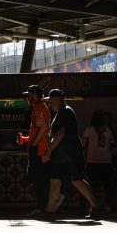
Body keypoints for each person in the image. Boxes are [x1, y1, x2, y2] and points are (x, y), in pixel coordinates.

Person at [41, 89, 101, 219]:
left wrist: (49, 150)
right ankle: (49, 210)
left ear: (57, 99)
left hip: (69, 156)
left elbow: (60, 133)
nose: (49, 103)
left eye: (50, 101)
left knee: (77, 181)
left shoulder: (65, 112)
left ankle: (96, 206)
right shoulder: (62, 112)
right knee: (55, 182)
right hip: (62, 156)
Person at [21, 85, 51, 216]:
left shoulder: (39, 108)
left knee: (39, 180)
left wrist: (33, 144)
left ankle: (41, 207)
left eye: (30, 94)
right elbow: (39, 130)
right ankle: (41, 207)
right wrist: (26, 139)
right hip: (38, 148)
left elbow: (43, 128)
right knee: (39, 180)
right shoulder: (38, 108)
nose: (28, 97)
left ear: (36, 95)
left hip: (38, 150)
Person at [82, 110, 114, 211]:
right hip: (106, 161)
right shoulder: (108, 130)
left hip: (92, 160)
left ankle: (92, 206)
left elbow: (83, 145)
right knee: (107, 185)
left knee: (92, 185)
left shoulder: (89, 130)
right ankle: (107, 205)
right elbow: (111, 145)